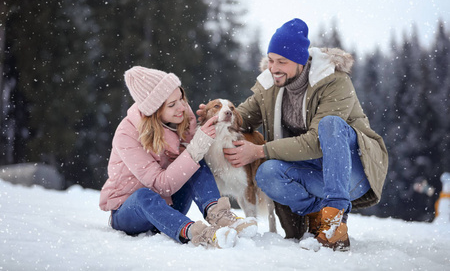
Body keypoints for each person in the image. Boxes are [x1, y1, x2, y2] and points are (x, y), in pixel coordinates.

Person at [197, 18, 388, 251]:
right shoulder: (269, 86)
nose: (273, 68)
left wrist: (259, 150)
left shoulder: (335, 81)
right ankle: (316, 215)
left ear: (300, 61)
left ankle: (335, 222)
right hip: (313, 176)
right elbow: (241, 117)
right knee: (266, 172)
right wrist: (214, 116)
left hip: (353, 172)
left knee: (330, 125)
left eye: (281, 62)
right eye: (270, 60)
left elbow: (316, 141)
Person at [99, 66, 257, 249]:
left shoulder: (182, 116)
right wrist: (197, 144)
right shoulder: (126, 135)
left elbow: (190, 163)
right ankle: (199, 234)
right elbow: (161, 184)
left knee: (196, 162)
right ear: (154, 111)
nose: (182, 107)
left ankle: (219, 215)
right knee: (144, 195)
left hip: (171, 206)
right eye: (172, 104)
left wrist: (200, 131)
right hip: (131, 213)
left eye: (181, 98)